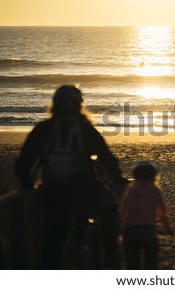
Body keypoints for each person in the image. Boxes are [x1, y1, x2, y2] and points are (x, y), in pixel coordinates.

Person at [15, 85, 125, 269]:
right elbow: (107, 158)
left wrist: (28, 185)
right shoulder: (85, 129)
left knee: (53, 242)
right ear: (79, 105)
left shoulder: (43, 129)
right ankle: (110, 253)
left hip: (53, 194)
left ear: (54, 104)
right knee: (110, 207)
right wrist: (118, 179)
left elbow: (22, 164)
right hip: (85, 192)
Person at [121, 161, 173, 269]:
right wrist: (168, 230)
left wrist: (120, 229)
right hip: (148, 231)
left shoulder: (131, 191)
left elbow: (123, 212)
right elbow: (162, 215)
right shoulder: (155, 192)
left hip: (131, 231)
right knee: (150, 264)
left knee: (131, 265)